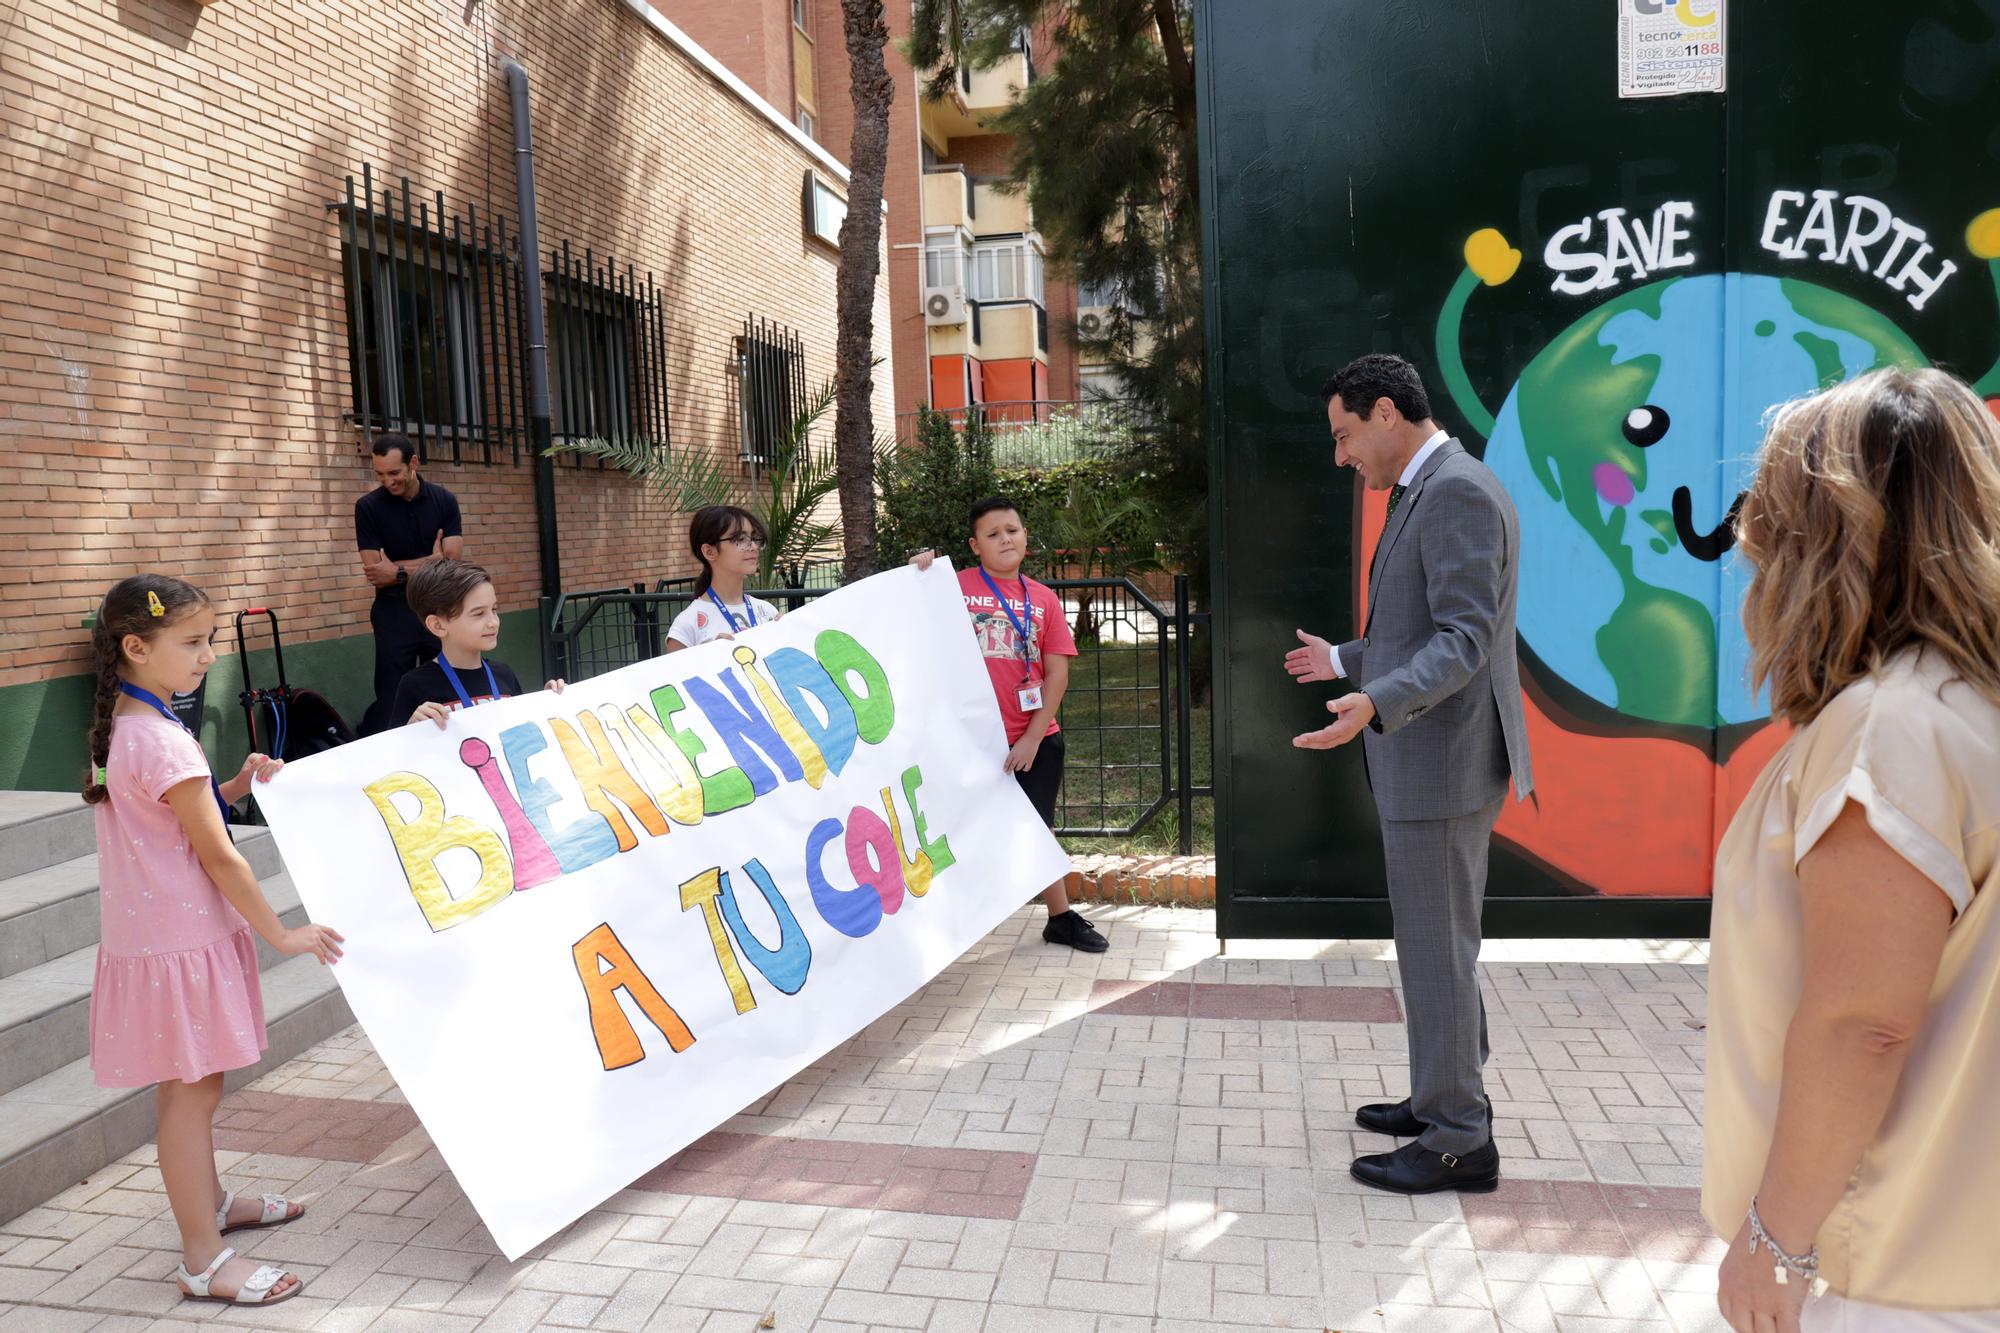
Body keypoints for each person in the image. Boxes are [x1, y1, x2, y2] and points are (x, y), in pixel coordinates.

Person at [1704, 368, 2000, 1333]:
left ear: (1818, 538)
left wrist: (1776, 1241)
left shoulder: (1891, 726)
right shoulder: (1970, 705)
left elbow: (1861, 1022)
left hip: (1889, 1270)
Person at [1285, 352, 1532, 1195]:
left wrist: (1375, 698)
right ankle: (1443, 1095)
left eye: (1346, 434)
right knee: (1440, 948)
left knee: (1435, 953)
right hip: (1434, 756)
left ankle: (1459, 1137)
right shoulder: (1432, 486)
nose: (1341, 454)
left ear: (1388, 413)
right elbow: (1416, 624)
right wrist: (1346, 659)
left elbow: (1464, 638)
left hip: (1442, 762)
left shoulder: (1456, 491)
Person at [81, 574, 344, 1309]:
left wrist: (228, 786)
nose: (207, 655)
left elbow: (160, 818)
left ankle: (214, 1202)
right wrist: (283, 932)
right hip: (178, 941)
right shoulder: (162, 738)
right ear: (136, 646)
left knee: (193, 1090)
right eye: (192, 641)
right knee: (191, 1098)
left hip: (158, 939)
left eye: (210, 639)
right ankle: (202, 1256)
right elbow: (219, 856)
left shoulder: (127, 728)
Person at [912, 497, 1108, 953]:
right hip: (968, 739)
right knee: (952, 829)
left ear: (1025, 536)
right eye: (993, 533)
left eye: (1013, 530)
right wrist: (919, 568)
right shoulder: (952, 586)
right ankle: (940, 927)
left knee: (1036, 828)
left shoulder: (1043, 598)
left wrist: (1032, 739)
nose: (1006, 539)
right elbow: (907, 606)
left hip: (1034, 739)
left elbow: (1057, 674)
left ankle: (1060, 918)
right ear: (974, 545)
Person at [355, 434, 463, 734]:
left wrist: (399, 571)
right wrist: (430, 562)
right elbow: (375, 571)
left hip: (437, 609)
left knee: (445, 684)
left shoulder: (445, 501)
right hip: (393, 613)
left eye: (394, 472)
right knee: (392, 695)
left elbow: (452, 562)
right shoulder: (368, 507)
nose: (387, 481)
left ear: (413, 463)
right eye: (380, 474)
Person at [393, 559, 564, 728]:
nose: (493, 622)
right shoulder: (415, 685)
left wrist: (548, 703)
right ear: (438, 625)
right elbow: (392, 752)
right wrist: (410, 728)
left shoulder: (504, 674)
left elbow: (523, 733)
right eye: (479, 614)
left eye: (494, 610)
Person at [665, 505, 783, 652]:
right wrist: (712, 657)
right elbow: (678, 675)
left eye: (753, 538)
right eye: (740, 539)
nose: (753, 546)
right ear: (709, 551)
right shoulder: (686, 627)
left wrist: (785, 637)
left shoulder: (768, 612)